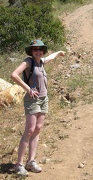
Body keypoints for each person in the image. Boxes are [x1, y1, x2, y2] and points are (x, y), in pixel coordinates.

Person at [11, 39, 65, 176]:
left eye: (40, 49)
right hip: (32, 100)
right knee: (29, 130)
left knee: (38, 129)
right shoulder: (28, 61)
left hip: (43, 99)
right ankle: (19, 164)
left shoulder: (41, 61)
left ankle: (31, 161)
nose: (38, 51)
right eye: (35, 49)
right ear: (31, 51)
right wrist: (28, 89)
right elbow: (14, 75)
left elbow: (50, 58)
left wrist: (58, 52)